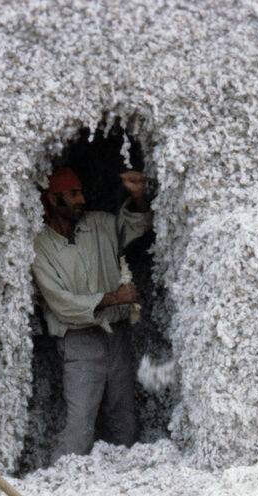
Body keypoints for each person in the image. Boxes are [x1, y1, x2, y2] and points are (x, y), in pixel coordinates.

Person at [31, 166, 153, 462]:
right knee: (80, 422)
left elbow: (136, 225)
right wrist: (115, 298)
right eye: (73, 194)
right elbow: (62, 304)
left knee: (123, 416)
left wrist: (138, 196)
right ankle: (63, 481)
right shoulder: (40, 247)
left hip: (117, 336)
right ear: (53, 199)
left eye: (82, 192)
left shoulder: (100, 224)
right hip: (79, 342)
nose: (82, 199)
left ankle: (126, 481)